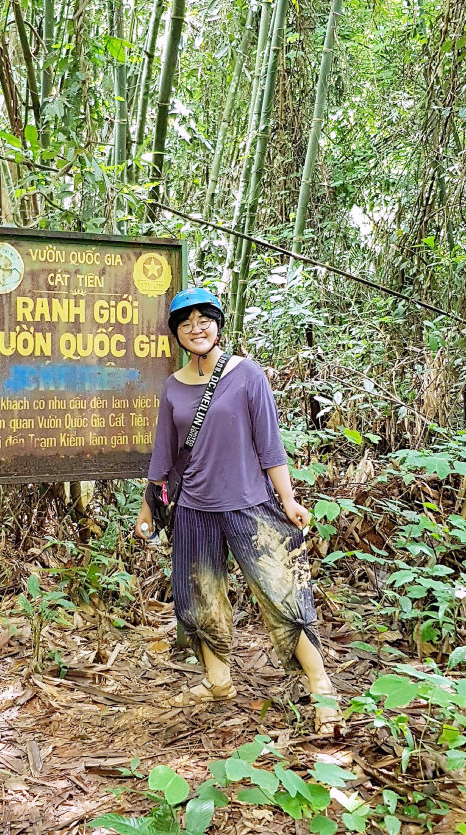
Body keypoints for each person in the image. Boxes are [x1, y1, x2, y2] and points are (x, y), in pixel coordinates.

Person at [134, 287, 342, 735]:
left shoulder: (247, 375)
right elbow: (163, 456)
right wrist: (148, 507)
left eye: (203, 320)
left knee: (282, 593)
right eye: (185, 323)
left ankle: (321, 685)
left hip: (249, 504)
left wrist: (288, 500)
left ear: (217, 324)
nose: (196, 329)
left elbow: (270, 445)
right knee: (199, 598)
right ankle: (218, 680)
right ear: (177, 334)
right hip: (193, 509)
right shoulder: (172, 387)